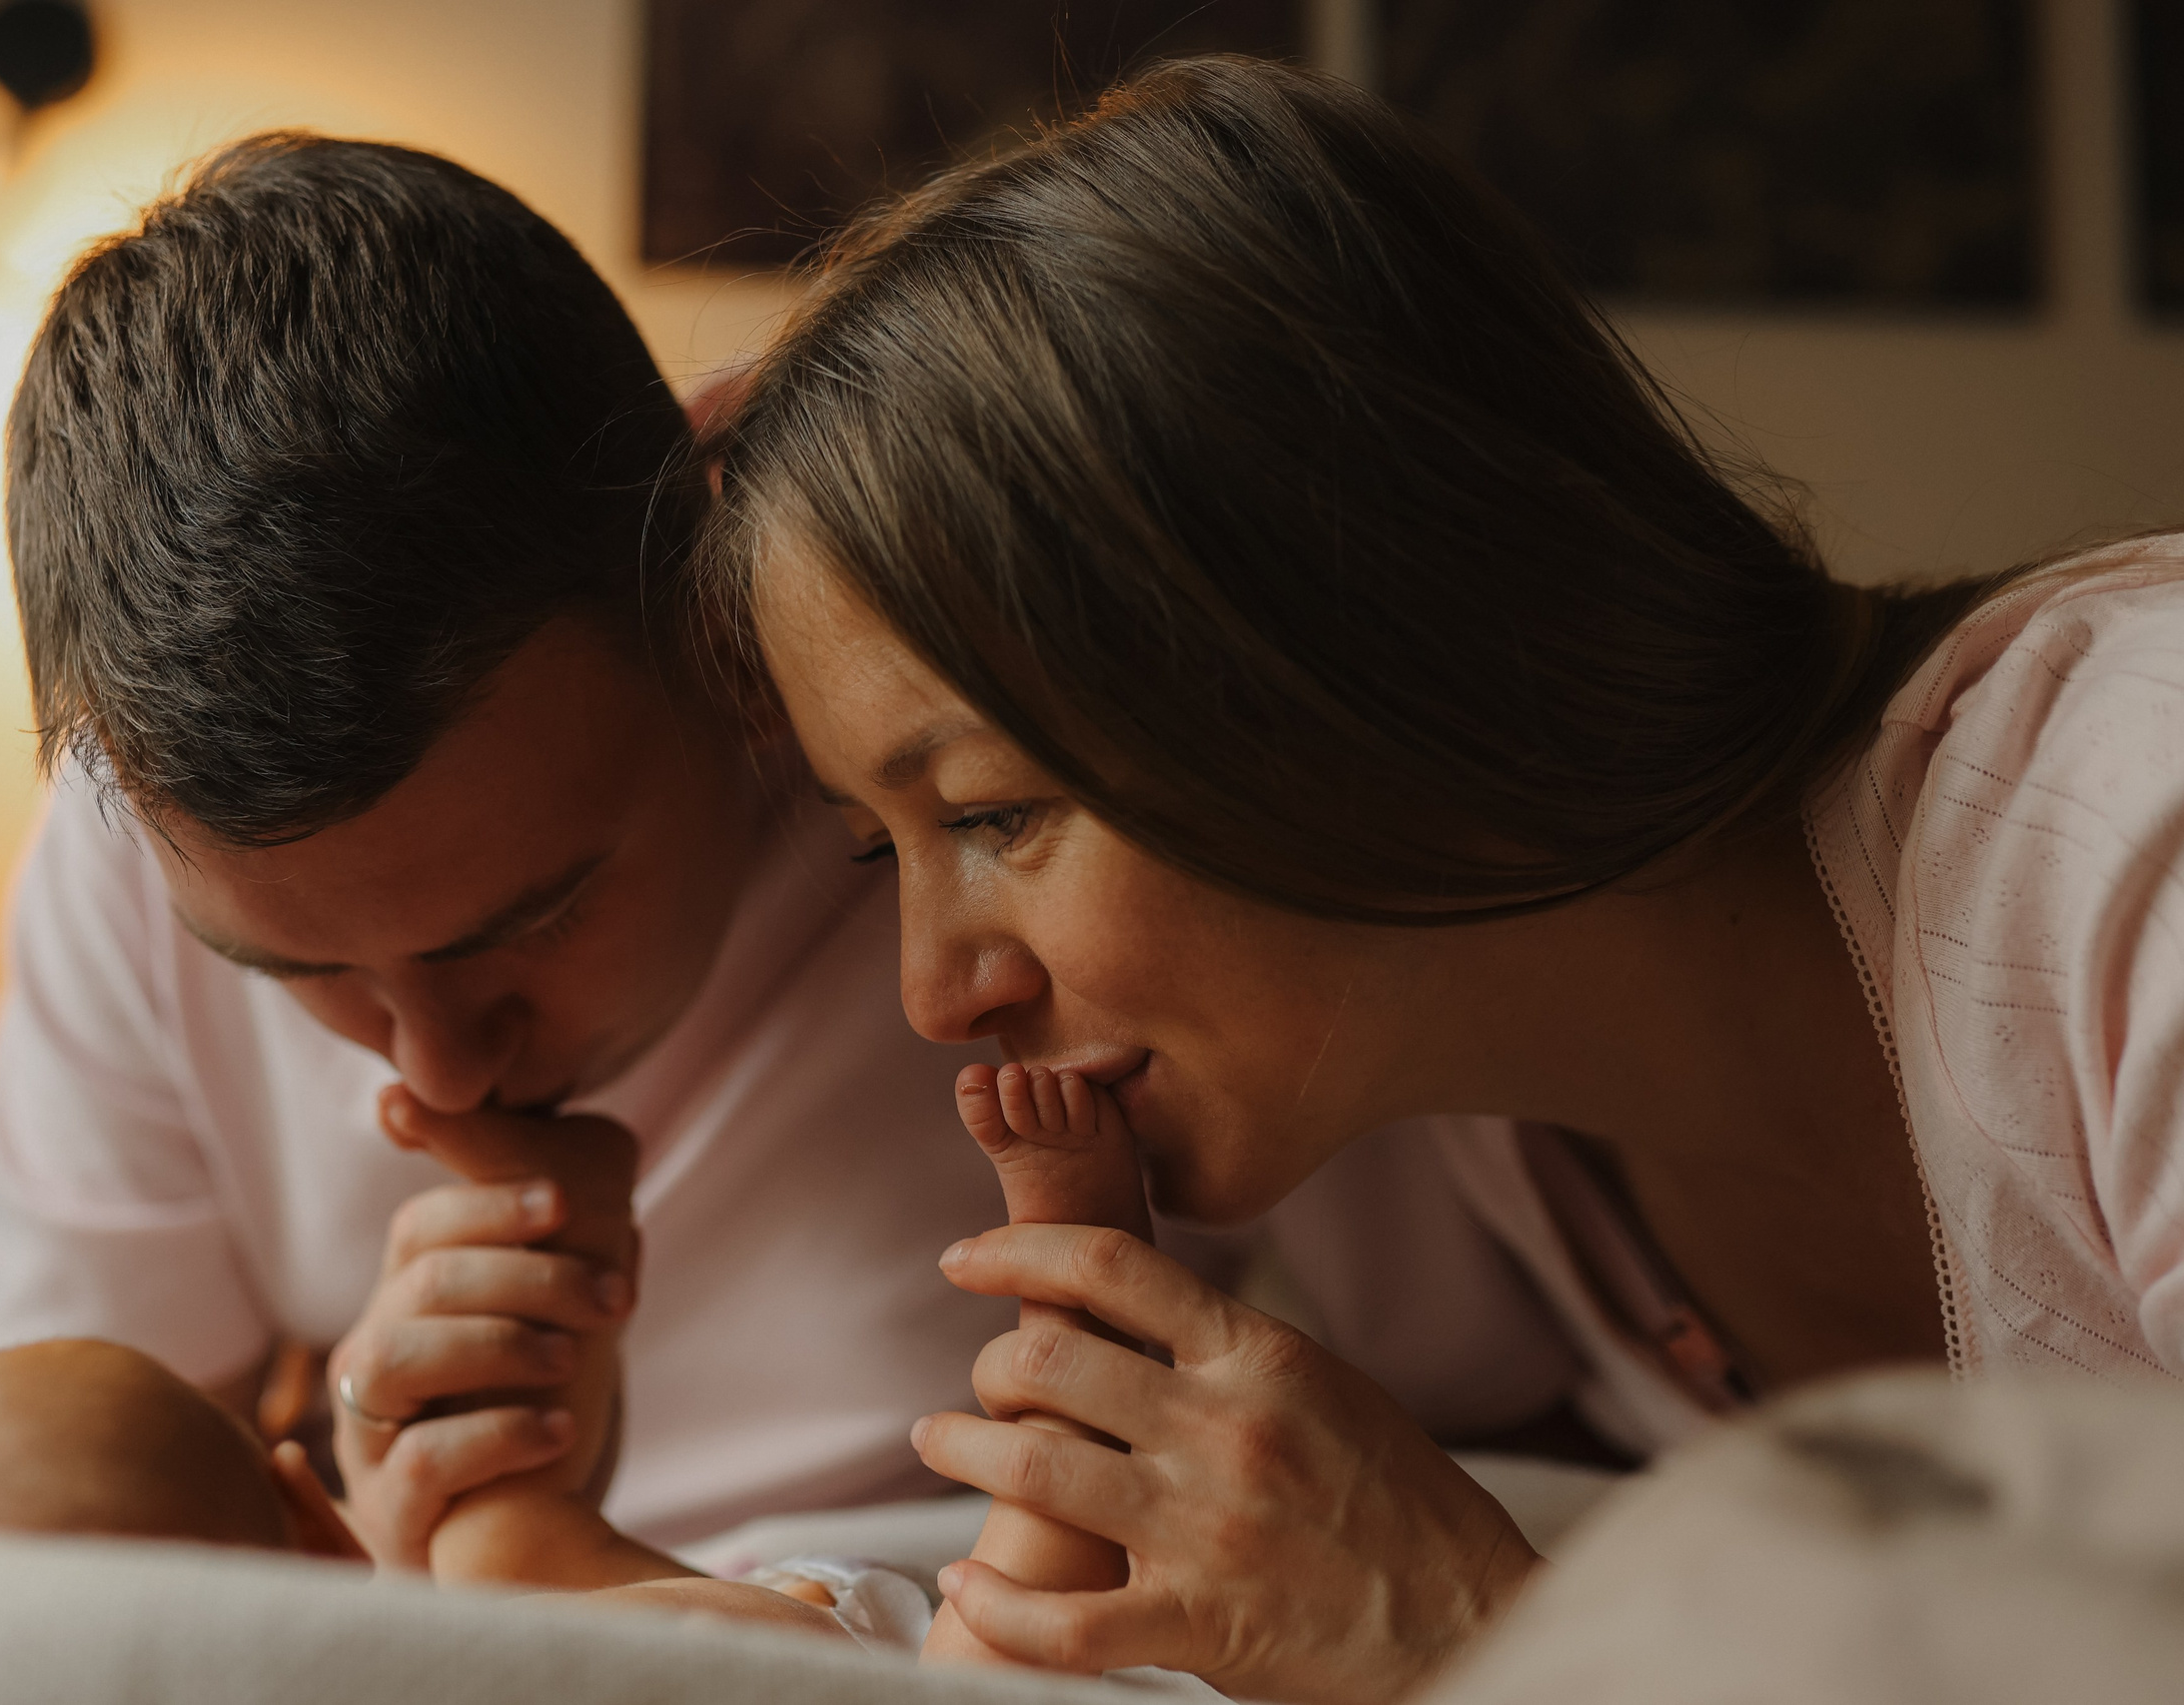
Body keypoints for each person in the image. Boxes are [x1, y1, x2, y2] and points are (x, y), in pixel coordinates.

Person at [707, 55, 2184, 1703]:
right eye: (873, 841)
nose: (934, 988)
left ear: (1359, 634)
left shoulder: (2138, 831)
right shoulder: (1470, 1144)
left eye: (991, 812)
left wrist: (1480, 1637)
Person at [0, 132, 1021, 1567]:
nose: (437, 1071)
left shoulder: (993, 711)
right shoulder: (123, 845)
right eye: (299, 969)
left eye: (530, 916)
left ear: (721, 631)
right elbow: (59, 1536)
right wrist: (370, 1525)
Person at [0, 1338, 857, 1645]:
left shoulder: (510, 1658)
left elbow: (804, 1644)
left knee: (494, 1547)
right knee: (493, 1536)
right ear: (315, 1520)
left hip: (814, 1612)